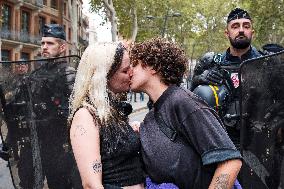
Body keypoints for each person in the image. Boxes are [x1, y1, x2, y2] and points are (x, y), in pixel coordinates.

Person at [129, 37, 242, 189]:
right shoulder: (152, 115)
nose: (129, 71)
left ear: (152, 67)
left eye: (134, 64)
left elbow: (229, 162)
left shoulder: (183, 102)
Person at [3, 24, 77, 188]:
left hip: (57, 147)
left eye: (50, 43)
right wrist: (9, 141)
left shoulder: (68, 74)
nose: (44, 47)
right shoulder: (34, 75)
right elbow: (21, 111)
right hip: (32, 146)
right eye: (43, 43)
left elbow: (73, 116)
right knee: (28, 183)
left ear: (62, 47)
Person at [69, 42, 145, 189]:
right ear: (104, 76)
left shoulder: (111, 110)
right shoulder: (85, 116)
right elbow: (91, 185)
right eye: (125, 70)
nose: (131, 73)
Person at [190, 8, 262, 149]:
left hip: (257, 143)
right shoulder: (210, 62)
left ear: (252, 32)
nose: (241, 30)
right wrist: (200, 78)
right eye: (235, 26)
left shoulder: (266, 62)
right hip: (220, 142)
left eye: (246, 26)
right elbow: (189, 97)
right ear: (226, 33)